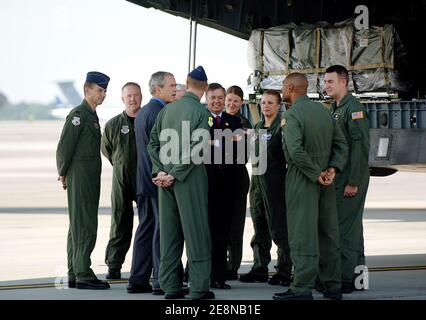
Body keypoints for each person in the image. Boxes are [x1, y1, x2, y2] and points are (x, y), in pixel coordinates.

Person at [273, 73, 348, 300]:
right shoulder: (324, 112)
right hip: (326, 179)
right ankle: (332, 285)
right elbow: (341, 144)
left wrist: (315, 174)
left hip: (303, 179)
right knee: (327, 232)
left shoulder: (292, 114)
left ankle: (301, 287)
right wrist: (332, 169)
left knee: (302, 232)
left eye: (284, 87)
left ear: (292, 87)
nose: (282, 91)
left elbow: (294, 151)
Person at [147, 66, 215, 300]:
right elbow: (198, 148)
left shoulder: (167, 111)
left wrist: (161, 171)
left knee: (170, 234)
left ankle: (170, 287)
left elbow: (152, 144)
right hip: (189, 179)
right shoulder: (201, 113)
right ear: (205, 88)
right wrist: (175, 173)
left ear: (186, 82)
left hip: (165, 182)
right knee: (196, 234)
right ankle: (198, 288)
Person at [56, 71, 111, 290]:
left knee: (78, 224)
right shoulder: (78, 114)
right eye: (99, 90)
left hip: (87, 176)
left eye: (105, 91)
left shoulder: (91, 114)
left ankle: (73, 271)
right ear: (87, 90)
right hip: (81, 176)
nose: (103, 95)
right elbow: (64, 146)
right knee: (85, 224)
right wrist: (63, 172)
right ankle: (83, 273)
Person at [127, 72, 176, 294]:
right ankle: (159, 279)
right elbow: (164, 151)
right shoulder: (160, 113)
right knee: (160, 229)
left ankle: (137, 279)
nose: (174, 89)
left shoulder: (144, 112)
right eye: (171, 85)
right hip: (157, 181)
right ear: (158, 89)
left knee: (145, 229)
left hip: (143, 181)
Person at [324, 65, 370, 293]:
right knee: (353, 228)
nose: (326, 86)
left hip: (352, 178)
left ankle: (344, 279)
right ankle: (358, 278)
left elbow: (360, 148)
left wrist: (354, 181)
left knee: (344, 229)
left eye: (331, 81)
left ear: (344, 82)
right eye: (325, 82)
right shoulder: (337, 107)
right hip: (342, 178)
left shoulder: (353, 109)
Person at [240, 90, 293, 286]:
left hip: (275, 183)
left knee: (279, 228)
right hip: (257, 184)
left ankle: (284, 271)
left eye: (271, 103)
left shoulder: (282, 127)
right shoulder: (257, 128)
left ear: (279, 105)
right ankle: (259, 268)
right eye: (263, 103)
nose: (266, 106)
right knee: (259, 226)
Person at [102, 82, 142, 280]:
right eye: (129, 96)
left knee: (150, 222)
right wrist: (121, 166)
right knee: (119, 221)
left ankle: (149, 265)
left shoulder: (149, 120)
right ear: (123, 99)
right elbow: (107, 150)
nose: (133, 99)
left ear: (142, 96)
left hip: (145, 179)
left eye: (136, 95)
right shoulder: (113, 124)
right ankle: (114, 265)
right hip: (121, 180)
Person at [205, 83, 243, 289]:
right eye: (214, 98)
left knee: (222, 231)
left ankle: (218, 275)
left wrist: (215, 142)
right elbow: (199, 144)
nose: (218, 101)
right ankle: (199, 272)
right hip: (206, 183)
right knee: (204, 231)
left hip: (228, 184)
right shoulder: (201, 119)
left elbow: (242, 151)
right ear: (207, 98)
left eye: (221, 98)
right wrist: (227, 141)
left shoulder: (233, 120)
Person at [224, 85, 252, 280]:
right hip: (219, 176)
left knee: (234, 225)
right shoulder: (215, 119)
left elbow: (242, 154)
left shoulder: (244, 124)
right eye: (229, 100)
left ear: (241, 102)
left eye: (235, 101)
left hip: (236, 176)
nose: (232, 104)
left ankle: (232, 267)